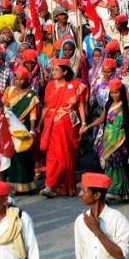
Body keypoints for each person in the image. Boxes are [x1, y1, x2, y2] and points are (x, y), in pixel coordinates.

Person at [84, 79, 129, 203]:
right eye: (112, 93)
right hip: (108, 138)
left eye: (116, 93)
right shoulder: (108, 105)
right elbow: (102, 119)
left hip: (121, 139)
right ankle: (125, 193)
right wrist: (88, 126)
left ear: (122, 92)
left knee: (117, 164)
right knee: (108, 164)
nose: (114, 95)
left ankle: (113, 191)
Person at [38, 59, 85, 198]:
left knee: (65, 156)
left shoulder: (75, 85)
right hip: (51, 124)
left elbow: (81, 105)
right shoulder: (50, 85)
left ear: (65, 71)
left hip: (67, 124)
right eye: (53, 70)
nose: (53, 72)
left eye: (57, 70)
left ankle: (63, 186)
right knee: (52, 156)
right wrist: (40, 123)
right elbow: (46, 106)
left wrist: (84, 123)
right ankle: (50, 185)